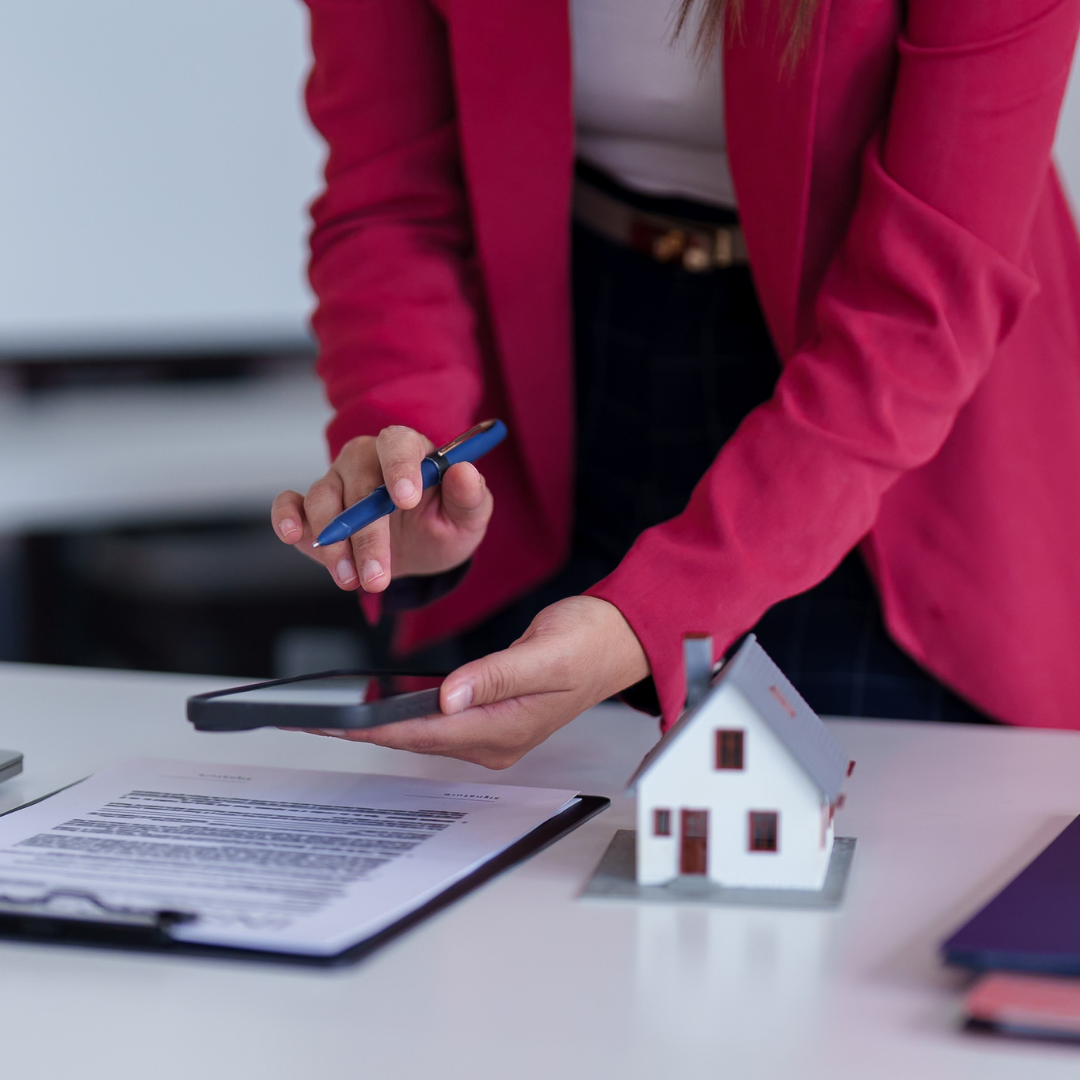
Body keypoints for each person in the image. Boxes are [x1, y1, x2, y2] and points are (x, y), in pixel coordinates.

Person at [273, 0, 1080, 767]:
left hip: (893, 440)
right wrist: (410, 438)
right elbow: (392, 190)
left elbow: (919, 307)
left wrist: (652, 617)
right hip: (552, 358)